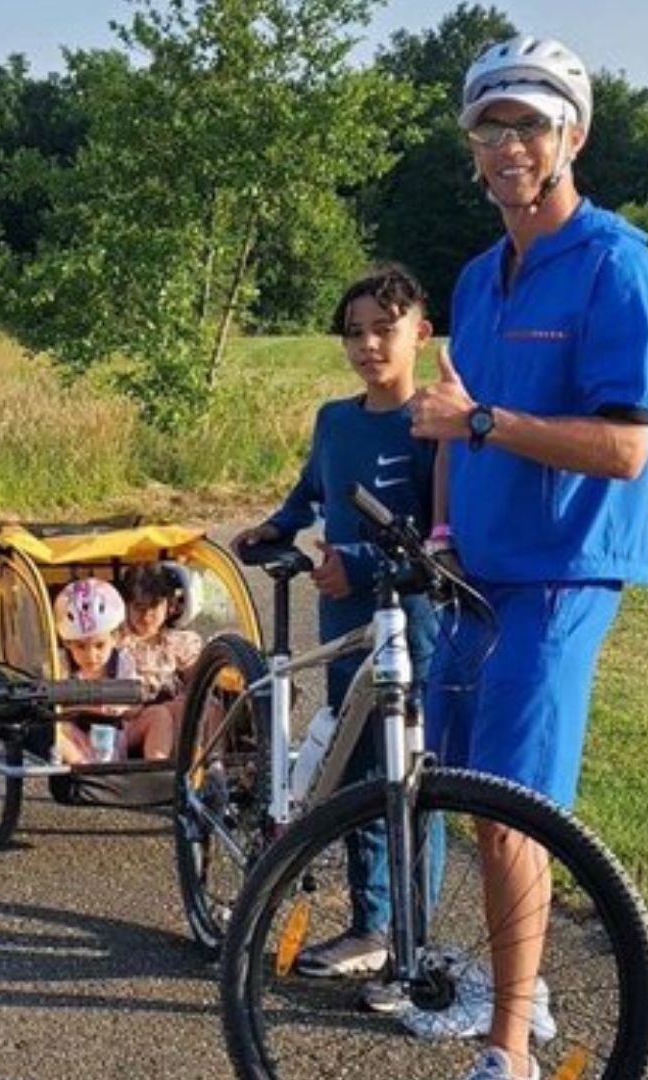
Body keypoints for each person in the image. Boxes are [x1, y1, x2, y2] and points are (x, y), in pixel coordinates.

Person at [409, 36, 648, 1080]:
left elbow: (625, 446)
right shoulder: (479, 275)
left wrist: (485, 425)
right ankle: (529, 986)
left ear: (575, 134)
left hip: (562, 575)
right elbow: (445, 419)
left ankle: (506, 1052)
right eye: (490, 125)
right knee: (475, 799)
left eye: (529, 122)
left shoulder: (617, 264)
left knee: (517, 813)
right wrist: (436, 534)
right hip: (472, 572)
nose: (509, 143)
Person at [232, 264, 442, 993]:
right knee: (355, 775)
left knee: (413, 777)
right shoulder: (335, 420)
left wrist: (354, 556)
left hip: (413, 625)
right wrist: (278, 525)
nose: (368, 345)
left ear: (422, 333)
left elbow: (434, 530)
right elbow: (310, 490)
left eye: (385, 329)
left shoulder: (432, 424)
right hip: (347, 621)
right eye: (354, 333)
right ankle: (370, 924)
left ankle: (416, 934)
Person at [114, 563, 202, 760]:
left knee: (208, 705)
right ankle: (158, 774)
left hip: (171, 709)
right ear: (126, 606)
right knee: (160, 715)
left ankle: (214, 767)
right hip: (132, 716)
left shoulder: (177, 641)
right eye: (139, 607)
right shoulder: (116, 641)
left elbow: (197, 679)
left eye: (154, 607)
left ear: (170, 605)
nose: (147, 616)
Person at [51, 578, 140, 763]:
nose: (91, 655)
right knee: (55, 732)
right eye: (80, 646)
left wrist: (124, 707)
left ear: (115, 638)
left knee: (158, 717)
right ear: (67, 643)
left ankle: (157, 767)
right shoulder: (61, 665)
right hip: (75, 735)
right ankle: (84, 773)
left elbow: (137, 706)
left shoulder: (123, 662)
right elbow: (50, 708)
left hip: (115, 733)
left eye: (100, 645)